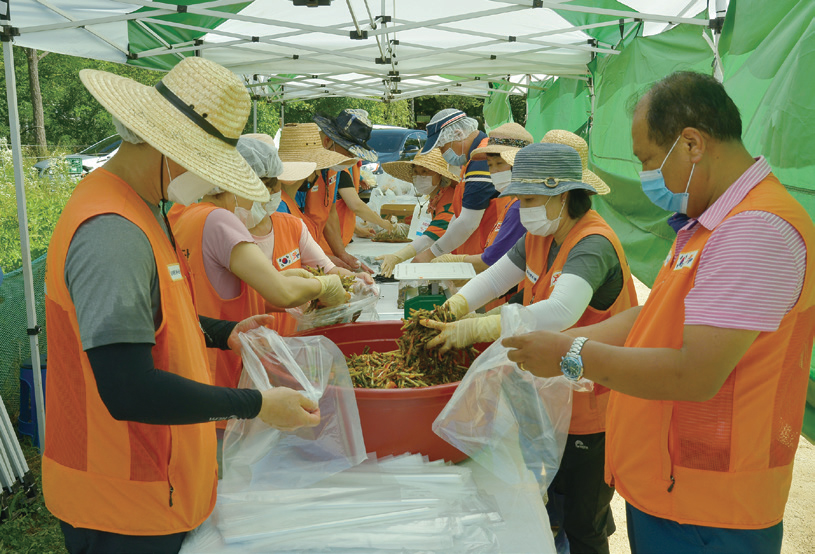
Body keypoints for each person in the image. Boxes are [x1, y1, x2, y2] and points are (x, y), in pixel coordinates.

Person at [502, 71, 815, 554]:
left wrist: (572, 355)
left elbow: (695, 374)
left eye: (648, 159)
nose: (648, 176)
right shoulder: (710, 221)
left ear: (691, 144)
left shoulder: (756, 231)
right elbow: (654, 319)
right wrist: (570, 345)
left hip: (713, 508)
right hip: (674, 488)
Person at [43, 57, 320, 554]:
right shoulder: (112, 231)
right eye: (205, 163)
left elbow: (153, 319)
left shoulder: (144, 208)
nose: (208, 181)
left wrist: (221, 332)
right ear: (168, 147)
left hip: (158, 486)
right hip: (121, 500)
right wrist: (258, 406)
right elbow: (128, 388)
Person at [425, 142, 637, 554]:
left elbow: (559, 311)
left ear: (561, 197)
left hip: (592, 403)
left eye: (529, 199)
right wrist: (455, 308)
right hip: (550, 395)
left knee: (585, 523)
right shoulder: (542, 235)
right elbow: (494, 279)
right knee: (551, 506)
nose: (521, 209)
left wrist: (479, 327)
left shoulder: (592, 243)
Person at [168, 136, 347, 390]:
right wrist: (324, 286)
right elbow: (281, 293)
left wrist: (298, 281)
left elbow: (242, 291)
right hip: (224, 369)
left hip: (198, 364)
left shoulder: (186, 216)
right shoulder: (220, 220)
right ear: (242, 183)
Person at [240, 134, 374, 335]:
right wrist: (310, 293)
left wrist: (356, 281)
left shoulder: (292, 225)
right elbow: (244, 298)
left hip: (290, 339)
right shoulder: (228, 233)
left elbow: (326, 268)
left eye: (270, 185)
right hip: (242, 344)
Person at [276, 122, 371, 272]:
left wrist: (328, 261)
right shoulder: (280, 209)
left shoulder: (287, 203)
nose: (320, 174)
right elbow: (284, 262)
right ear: (309, 170)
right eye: (319, 169)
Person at [417, 108, 499, 259]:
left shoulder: (481, 159)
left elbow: (468, 222)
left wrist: (431, 254)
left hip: (486, 253)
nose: (442, 153)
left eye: (442, 147)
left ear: (458, 134)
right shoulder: (471, 159)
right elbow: (459, 215)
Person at [313, 109, 396, 246]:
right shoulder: (307, 173)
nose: (352, 158)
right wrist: (382, 223)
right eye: (349, 152)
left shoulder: (333, 170)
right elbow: (356, 205)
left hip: (326, 248)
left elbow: (330, 213)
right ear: (327, 141)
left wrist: (341, 252)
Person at [374, 148, 460, 277]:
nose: (420, 176)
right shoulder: (436, 198)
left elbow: (428, 239)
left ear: (440, 175)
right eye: (416, 172)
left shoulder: (450, 203)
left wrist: (397, 257)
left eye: (425, 171)